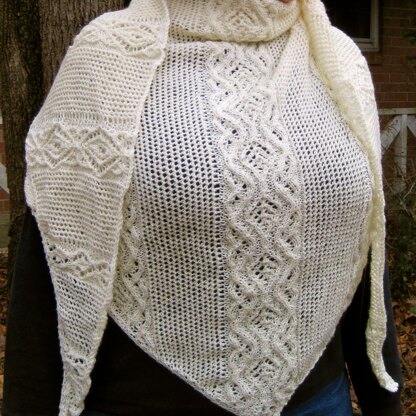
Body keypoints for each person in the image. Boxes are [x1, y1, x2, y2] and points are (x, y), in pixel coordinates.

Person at [3, 0, 404, 415]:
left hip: (318, 403)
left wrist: (385, 400)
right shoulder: (107, 55)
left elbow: (361, 245)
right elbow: (56, 253)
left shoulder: (337, 58)